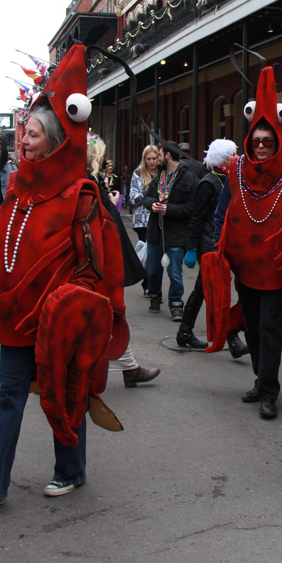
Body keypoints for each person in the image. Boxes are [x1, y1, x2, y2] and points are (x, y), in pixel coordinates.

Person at [0, 45, 128, 511]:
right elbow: (6, 243)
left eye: (31, 134)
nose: (21, 141)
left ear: (53, 140)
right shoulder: (17, 190)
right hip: (14, 319)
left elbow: (93, 268)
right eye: (21, 134)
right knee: (10, 394)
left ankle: (71, 471)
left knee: (67, 394)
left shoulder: (80, 197)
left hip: (58, 324)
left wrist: (77, 313)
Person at [213, 67, 282, 420]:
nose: (260, 147)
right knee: (253, 326)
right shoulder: (235, 171)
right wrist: (216, 249)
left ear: (277, 142)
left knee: (271, 329)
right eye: (255, 140)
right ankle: (260, 379)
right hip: (245, 268)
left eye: (267, 142)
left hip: (277, 268)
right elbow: (220, 213)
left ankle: (270, 391)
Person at [87, 135, 160, 387]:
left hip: (102, 256)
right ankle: (127, 368)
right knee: (106, 313)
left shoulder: (91, 179)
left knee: (109, 314)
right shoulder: (88, 181)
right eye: (101, 154)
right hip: (97, 260)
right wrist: (112, 204)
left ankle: (129, 368)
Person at [176, 138, 249, 359]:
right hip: (209, 244)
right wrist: (191, 249)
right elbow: (196, 218)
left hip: (227, 242)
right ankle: (231, 338)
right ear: (221, 159)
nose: (235, 158)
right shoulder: (208, 183)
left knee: (204, 290)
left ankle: (185, 333)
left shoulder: (233, 179)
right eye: (231, 155)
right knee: (213, 290)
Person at [145, 142, 197, 320]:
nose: (157, 159)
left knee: (174, 271)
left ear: (167, 155)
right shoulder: (159, 176)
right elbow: (147, 197)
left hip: (175, 234)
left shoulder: (189, 179)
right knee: (152, 269)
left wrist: (170, 210)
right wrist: (151, 204)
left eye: (159, 155)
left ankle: (176, 304)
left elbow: (192, 207)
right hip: (155, 232)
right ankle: (154, 296)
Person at [130, 145, 159, 295]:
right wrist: (146, 192)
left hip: (159, 219)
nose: (152, 162)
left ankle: (152, 283)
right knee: (148, 253)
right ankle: (147, 283)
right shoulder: (137, 174)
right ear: (144, 159)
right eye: (149, 159)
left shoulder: (163, 173)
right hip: (142, 220)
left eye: (154, 158)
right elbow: (133, 199)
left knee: (156, 255)